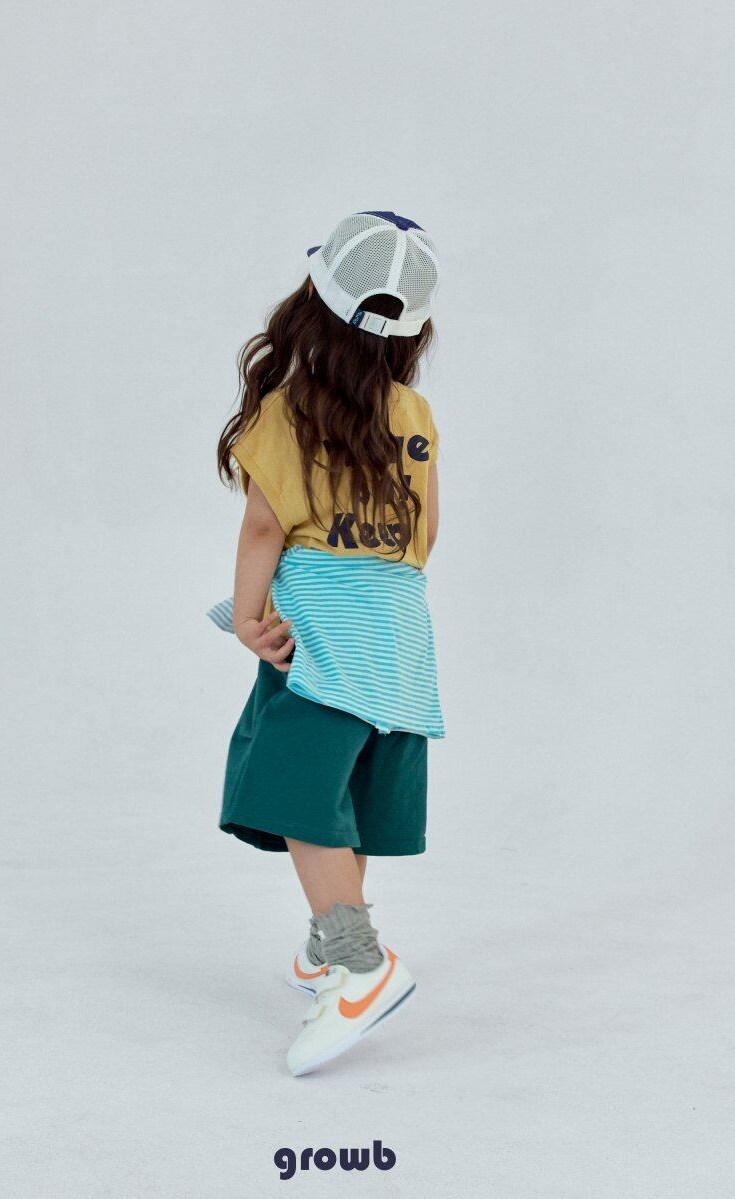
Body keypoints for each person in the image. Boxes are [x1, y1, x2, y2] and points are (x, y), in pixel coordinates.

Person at [211, 211, 444, 1076]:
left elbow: (262, 526)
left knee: (300, 796)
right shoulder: (413, 412)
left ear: (313, 300)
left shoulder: (288, 411)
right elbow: (426, 532)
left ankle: (358, 963)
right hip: (400, 631)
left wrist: (249, 617)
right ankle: (324, 946)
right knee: (350, 789)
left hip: (322, 642)